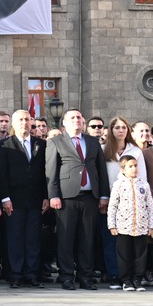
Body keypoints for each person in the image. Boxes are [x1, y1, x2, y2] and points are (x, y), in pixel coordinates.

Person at [45, 109, 107, 290]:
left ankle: (85, 276)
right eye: (72, 117)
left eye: (79, 117)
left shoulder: (92, 141)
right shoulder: (56, 142)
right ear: (64, 122)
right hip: (66, 197)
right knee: (66, 239)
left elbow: (100, 169)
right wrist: (53, 195)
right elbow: (51, 170)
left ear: (84, 121)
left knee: (87, 238)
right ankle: (66, 276)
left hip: (90, 197)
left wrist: (103, 194)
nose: (76, 120)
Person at [0, 109, 48, 287]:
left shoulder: (40, 144)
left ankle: (31, 274)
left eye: (27, 119)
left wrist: (45, 196)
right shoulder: (5, 145)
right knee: (15, 238)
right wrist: (4, 198)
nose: (24, 123)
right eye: (20, 120)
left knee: (33, 238)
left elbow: (44, 173)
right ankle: (16, 274)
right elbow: (1, 174)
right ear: (13, 123)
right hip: (14, 200)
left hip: (35, 199)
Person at [107, 153, 153, 292]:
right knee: (124, 254)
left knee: (140, 254)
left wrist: (151, 225)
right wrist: (112, 225)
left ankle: (137, 279)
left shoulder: (144, 185)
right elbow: (113, 205)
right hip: (123, 227)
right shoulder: (118, 185)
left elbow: (150, 206)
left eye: (135, 166)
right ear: (123, 169)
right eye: (130, 166)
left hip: (140, 226)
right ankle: (126, 280)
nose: (134, 168)